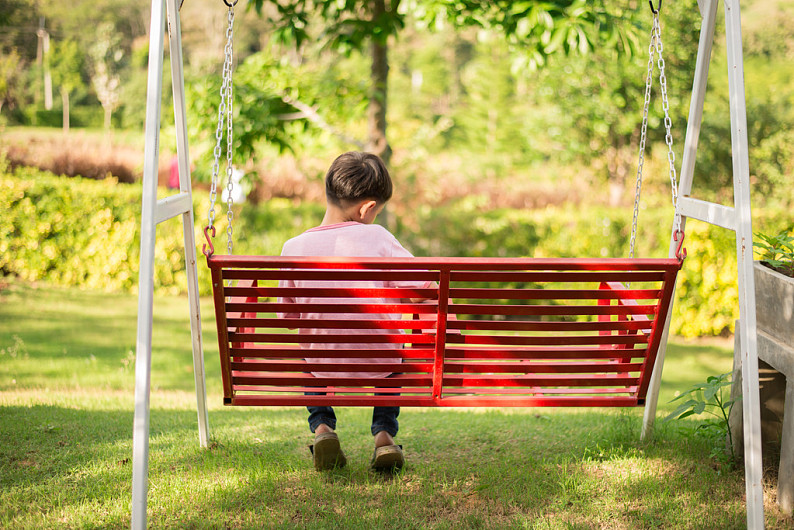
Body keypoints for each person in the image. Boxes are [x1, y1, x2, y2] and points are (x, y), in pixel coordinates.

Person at [278, 151, 433, 472]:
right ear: (367, 208)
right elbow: (425, 289)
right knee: (395, 358)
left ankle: (322, 428)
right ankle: (384, 436)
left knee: (309, 359)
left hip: (323, 363)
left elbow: (289, 320)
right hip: (379, 361)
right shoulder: (379, 238)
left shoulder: (293, 248)